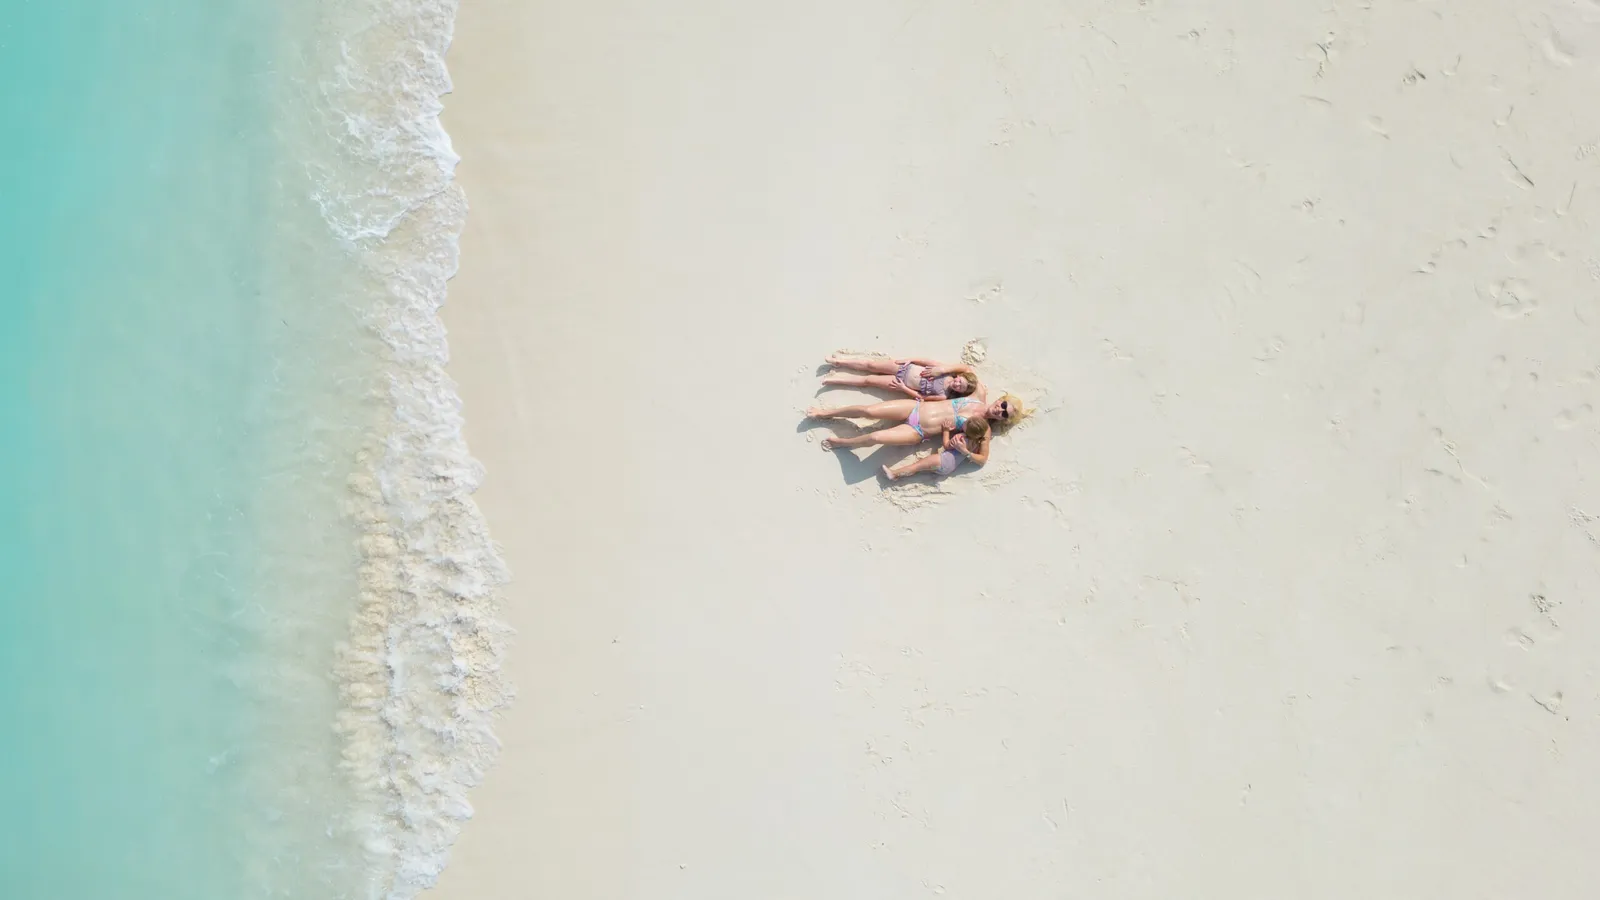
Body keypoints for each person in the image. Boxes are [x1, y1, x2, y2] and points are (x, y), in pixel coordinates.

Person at [807, 392, 1022, 451]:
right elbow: (965, 371)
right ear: (1001, 399)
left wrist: (949, 435)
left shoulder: (983, 429)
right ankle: (825, 413)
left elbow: (981, 457)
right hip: (916, 407)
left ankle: (844, 443)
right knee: (868, 411)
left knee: (875, 436)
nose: (1000, 410)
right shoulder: (979, 393)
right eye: (1003, 405)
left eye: (1005, 414)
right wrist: (940, 371)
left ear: (1003, 420)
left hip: (918, 430)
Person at [821, 354, 977, 400]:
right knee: (872, 365)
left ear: (960, 392)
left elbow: (921, 397)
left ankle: (836, 380)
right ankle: (840, 362)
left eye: (960, 387)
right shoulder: (946, 371)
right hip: (906, 367)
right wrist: (910, 359)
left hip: (901, 383)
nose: (957, 384)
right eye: (960, 381)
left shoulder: (944, 396)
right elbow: (925, 361)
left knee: (868, 381)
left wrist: (903, 388)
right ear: (960, 376)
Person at [884, 417, 990, 481]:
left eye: (965, 424)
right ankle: (899, 474)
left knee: (916, 466)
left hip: (942, 461)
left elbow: (946, 445)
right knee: (921, 467)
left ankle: (894, 474)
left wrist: (946, 431)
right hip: (949, 468)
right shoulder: (977, 441)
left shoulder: (960, 438)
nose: (964, 423)